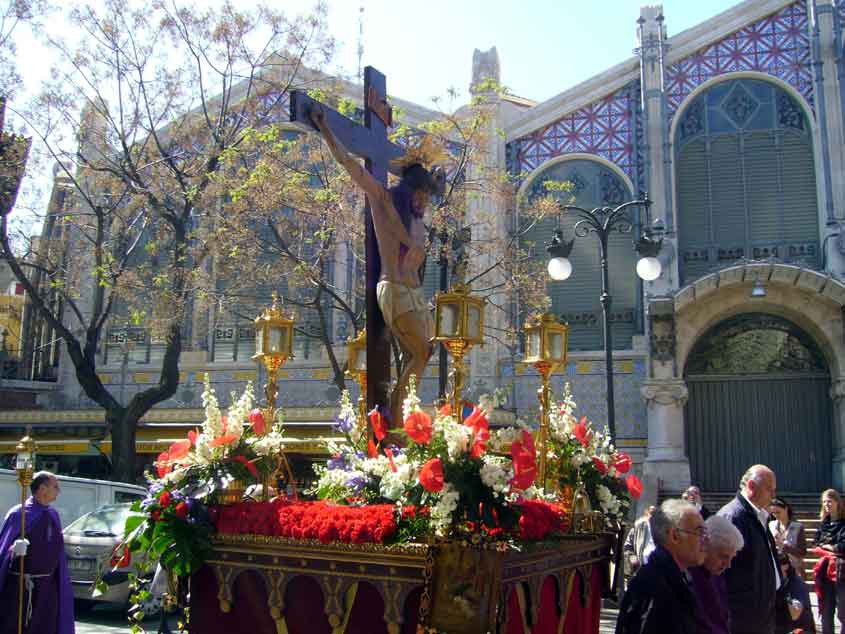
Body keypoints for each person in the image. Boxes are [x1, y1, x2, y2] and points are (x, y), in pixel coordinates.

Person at [309, 106, 443, 421]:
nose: (424, 201)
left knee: (426, 351)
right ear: (412, 189)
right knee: (421, 351)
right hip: (395, 289)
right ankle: (398, 418)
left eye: (427, 195)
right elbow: (350, 165)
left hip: (415, 294)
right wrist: (326, 130)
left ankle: (402, 413)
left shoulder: (418, 220)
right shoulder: (383, 199)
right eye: (422, 193)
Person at [615, 499, 706, 634]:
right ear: (674, 536)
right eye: (700, 532)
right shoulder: (655, 586)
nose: (706, 539)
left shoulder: (674, 577)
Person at [0, 471, 74, 634]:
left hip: (48, 589)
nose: (58, 491)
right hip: (22, 589)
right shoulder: (19, 514)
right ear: (42, 488)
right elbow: (3, 551)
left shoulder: (53, 515)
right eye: (55, 487)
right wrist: (14, 550)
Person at [717, 464, 780, 634]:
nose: (774, 496)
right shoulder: (733, 517)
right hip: (744, 620)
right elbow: (720, 574)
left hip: (763, 616)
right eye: (769, 490)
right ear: (751, 486)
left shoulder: (759, 516)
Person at [688, 514, 744, 634]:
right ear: (705, 546)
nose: (728, 565)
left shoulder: (716, 574)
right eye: (723, 556)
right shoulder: (688, 576)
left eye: (731, 558)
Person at [812, 488, 845, 634]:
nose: (827, 505)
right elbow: (815, 543)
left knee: (843, 611)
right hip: (824, 570)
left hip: (841, 571)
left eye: (829, 501)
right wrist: (831, 547)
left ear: (838, 502)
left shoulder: (843, 524)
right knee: (826, 610)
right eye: (824, 502)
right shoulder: (824, 524)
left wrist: (828, 546)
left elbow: (843, 546)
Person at [775, 552, 815, 634]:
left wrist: (786, 595)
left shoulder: (796, 584)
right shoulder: (771, 583)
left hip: (799, 629)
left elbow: (795, 614)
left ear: (785, 566)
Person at [768, 497, 806, 580]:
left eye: (778, 512)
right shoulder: (771, 525)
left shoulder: (798, 527)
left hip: (794, 569)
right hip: (776, 568)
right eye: (773, 513)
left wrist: (784, 546)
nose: (776, 515)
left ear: (786, 509)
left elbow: (802, 552)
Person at [623, 505, 656, 578]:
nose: (652, 515)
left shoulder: (663, 529)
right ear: (646, 513)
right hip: (640, 569)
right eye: (651, 511)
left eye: (655, 512)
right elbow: (627, 547)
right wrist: (632, 558)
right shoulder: (638, 526)